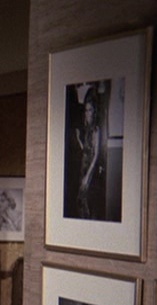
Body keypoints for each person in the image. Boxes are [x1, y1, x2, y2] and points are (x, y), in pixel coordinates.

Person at [74, 86, 102, 219]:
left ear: (94, 111)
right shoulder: (87, 129)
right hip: (83, 167)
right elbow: (86, 150)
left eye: (90, 110)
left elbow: (95, 155)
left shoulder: (96, 130)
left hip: (90, 170)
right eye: (86, 110)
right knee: (80, 201)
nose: (87, 113)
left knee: (88, 201)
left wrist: (87, 176)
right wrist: (79, 139)